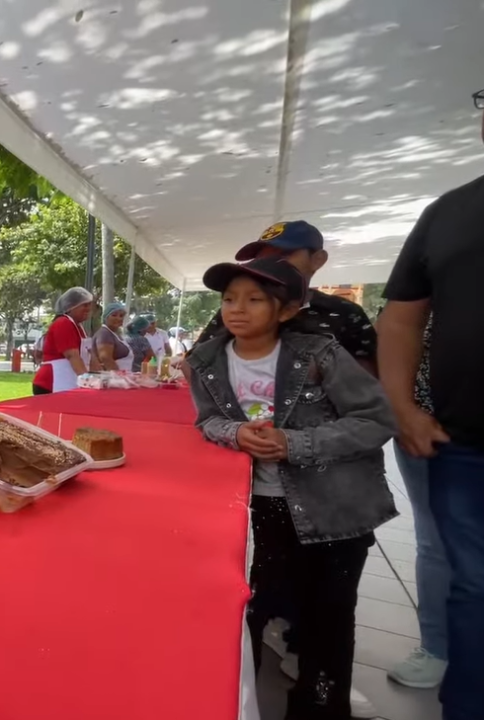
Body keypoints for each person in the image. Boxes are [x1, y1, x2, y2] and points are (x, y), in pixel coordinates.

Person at [188, 257, 396, 720]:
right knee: (251, 613)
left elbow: (376, 420)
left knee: (328, 618)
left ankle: (322, 704)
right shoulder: (204, 359)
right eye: (228, 299)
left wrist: (294, 442)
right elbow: (207, 420)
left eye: (254, 299)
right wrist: (234, 433)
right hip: (257, 509)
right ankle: (240, 705)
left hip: (332, 509)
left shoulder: (319, 354)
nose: (236, 309)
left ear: (286, 310)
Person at [379, 92, 484, 720]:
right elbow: (401, 320)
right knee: (471, 585)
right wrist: (403, 407)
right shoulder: (448, 212)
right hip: (462, 444)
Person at [195, 220, 377, 373]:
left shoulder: (344, 312)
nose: (270, 265)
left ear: (317, 259)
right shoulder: (237, 310)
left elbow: (370, 377)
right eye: (262, 258)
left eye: (283, 255)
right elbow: (196, 363)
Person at [384, 313, 450, 689]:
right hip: (428, 424)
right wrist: (403, 410)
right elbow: (393, 326)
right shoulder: (432, 266)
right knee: (435, 540)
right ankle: (437, 647)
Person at [32, 287, 96, 395]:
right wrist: (89, 382)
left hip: (67, 379)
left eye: (90, 305)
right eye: (85, 305)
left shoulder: (79, 327)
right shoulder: (63, 323)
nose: (89, 309)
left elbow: (90, 357)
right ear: (71, 307)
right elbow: (73, 356)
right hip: (51, 382)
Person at [93, 302, 132, 372]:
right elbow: (105, 358)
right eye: (114, 315)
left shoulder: (114, 334)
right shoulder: (104, 333)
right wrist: (118, 377)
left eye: (121, 316)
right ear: (106, 317)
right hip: (112, 379)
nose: (118, 318)